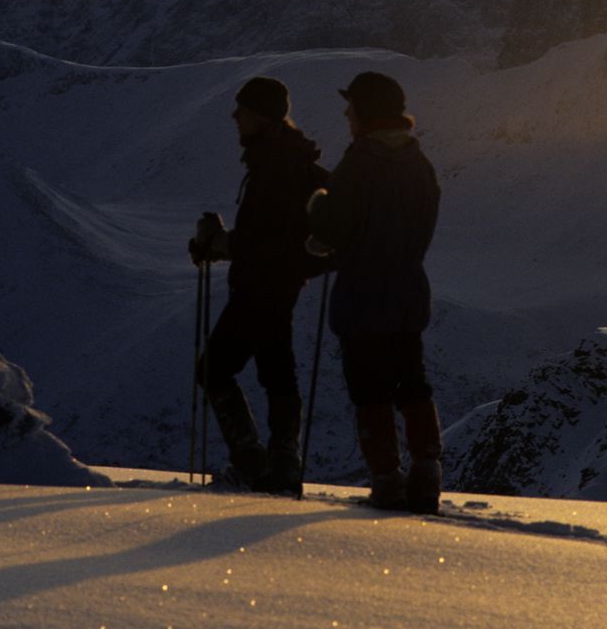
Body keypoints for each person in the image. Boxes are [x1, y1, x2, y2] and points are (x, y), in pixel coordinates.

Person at [307, 71, 443, 513]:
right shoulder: (418, 163)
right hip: (407, 291)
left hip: (363, 293)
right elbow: (423, 227)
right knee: (412, 382)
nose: (347, 115)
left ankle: (387, 480)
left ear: (366, 112)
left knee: (369, 388)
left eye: (352, 107)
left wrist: (318, 210)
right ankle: (427, 473)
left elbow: (335, 226)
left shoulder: (359, 161)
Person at [190, 76, 328, 494]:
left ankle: (254, 464)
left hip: (260, 287)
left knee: (214, 370)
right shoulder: (287, 160)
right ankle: (281, 465)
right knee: (277, 374)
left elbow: (264, 238)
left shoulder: (274, 165)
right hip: (280, 284)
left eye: (243, 110)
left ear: (263, 116)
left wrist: (217, 243)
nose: (235, 117)